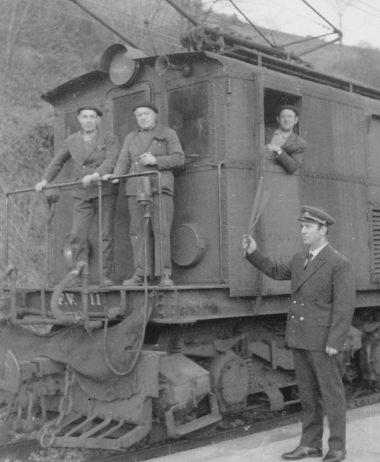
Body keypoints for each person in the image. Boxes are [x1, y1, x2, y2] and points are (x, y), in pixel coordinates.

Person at [242, 206, 355, 462]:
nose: (302, 231)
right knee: (307, 395)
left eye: (308, 227)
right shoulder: (300, 259)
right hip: (301, 338)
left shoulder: (339, 263)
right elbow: (274, 270)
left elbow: (344, 306)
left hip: (323, 341)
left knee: (332, 395)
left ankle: (337, 447)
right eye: (302, 226)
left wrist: (335, 341)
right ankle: (310, 444)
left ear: (323, 230)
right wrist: (253, 252)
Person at [35, 106, 120, 286]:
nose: (88, 120)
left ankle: (106, 276)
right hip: (81, 193)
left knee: (105, 234)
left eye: (92, 117)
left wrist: (96, 174)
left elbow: (111, 160)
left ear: (98, 120)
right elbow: (57, 161)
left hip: (103, 191)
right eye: (85, 117)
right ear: (79, 119)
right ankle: (80, 275)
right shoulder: (72, 140)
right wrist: (44, 180)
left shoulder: (109, 138)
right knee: (77, 234)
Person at [105, 100, 185, 287]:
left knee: (161, 231)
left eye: (146, 114)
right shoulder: (130, 137)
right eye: (139, 115)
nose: (142, 117)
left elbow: (179, 158)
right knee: (137, 233)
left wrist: (155, 159)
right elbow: (123, 160)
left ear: (154, 115)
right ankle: (141, 275)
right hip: (135, 190)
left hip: (159, 189)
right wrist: (116, 176)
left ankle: (164, 275)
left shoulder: (167, 134)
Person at [266, 105, 307, 174]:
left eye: (290, 116)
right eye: (283, 116)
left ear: (296, 120)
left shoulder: (300, 143)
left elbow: (293, 167)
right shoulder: (266, 134)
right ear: (278, 119)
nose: (286, 120)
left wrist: (278, 150)